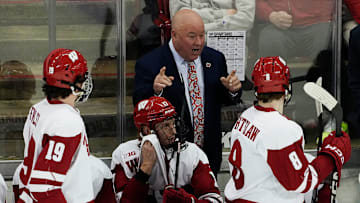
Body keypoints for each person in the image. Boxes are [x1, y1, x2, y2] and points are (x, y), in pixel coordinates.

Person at [224, 56, 352, 202]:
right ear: (287, 89)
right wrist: (332, 154)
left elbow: (273, 163)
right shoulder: (283, 129)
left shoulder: (245, 117)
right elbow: (300, 182)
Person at [133, 9, 242, 176]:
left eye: (202, 35)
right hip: (169, 160)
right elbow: (138, 103)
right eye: (192, 36)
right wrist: (155, 91)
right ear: (174, 35)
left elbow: (224, 99)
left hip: (208, 157)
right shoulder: (150, 63)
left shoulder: (215, 59)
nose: (198, 42)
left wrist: (233, 90)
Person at [16, 48, 116, 202]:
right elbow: (44, 188)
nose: (85, 81)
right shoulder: (66, 121)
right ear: (72, 85)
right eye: (82, 77)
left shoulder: (38, 109)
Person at [111, 96, 223, 203]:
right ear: (147, 131)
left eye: (173, 124)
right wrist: (144, 171)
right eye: (166, 126)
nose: (174, 131)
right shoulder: (123, 154)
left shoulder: (192, 153)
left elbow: (215, 199)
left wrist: (189, 202)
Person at [255, 0, 334, 61]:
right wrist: (271, 15)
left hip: (317, 24)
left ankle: (321, 80)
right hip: (278, 26)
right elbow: (254, 2)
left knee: (327, 38)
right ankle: (272, 80)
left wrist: (325, 18)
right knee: (269, 39)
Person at [169, 0, 255, 34]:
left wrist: (204, 29)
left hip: (229, 39)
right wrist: (222, 13)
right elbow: (181, 18)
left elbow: (246, 19)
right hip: (190, 41)